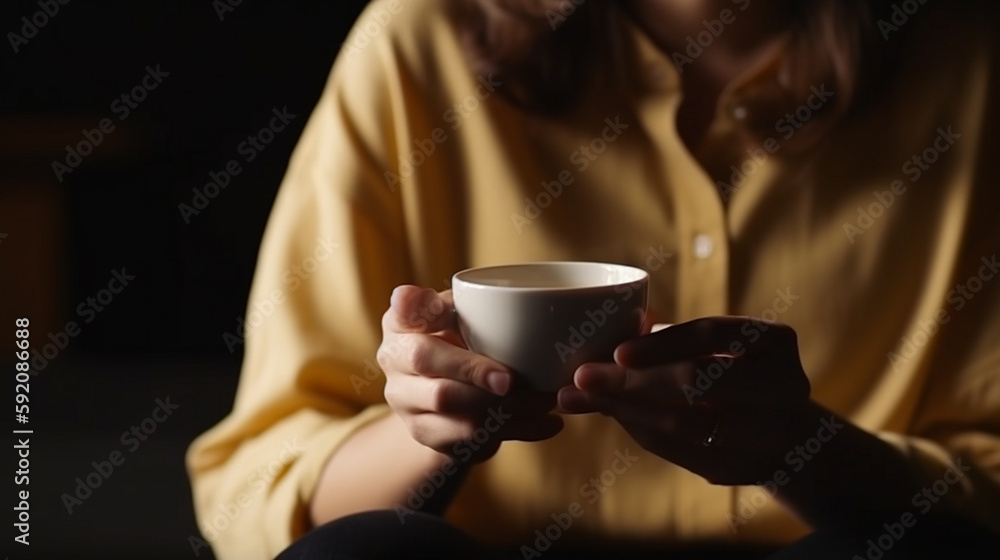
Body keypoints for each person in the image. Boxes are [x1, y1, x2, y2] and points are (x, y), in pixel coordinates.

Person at [186, 0, 1000, 558]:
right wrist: (427, 429)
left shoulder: (969, 55)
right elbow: (258, 495)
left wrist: (805, 452)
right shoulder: (418, 41)